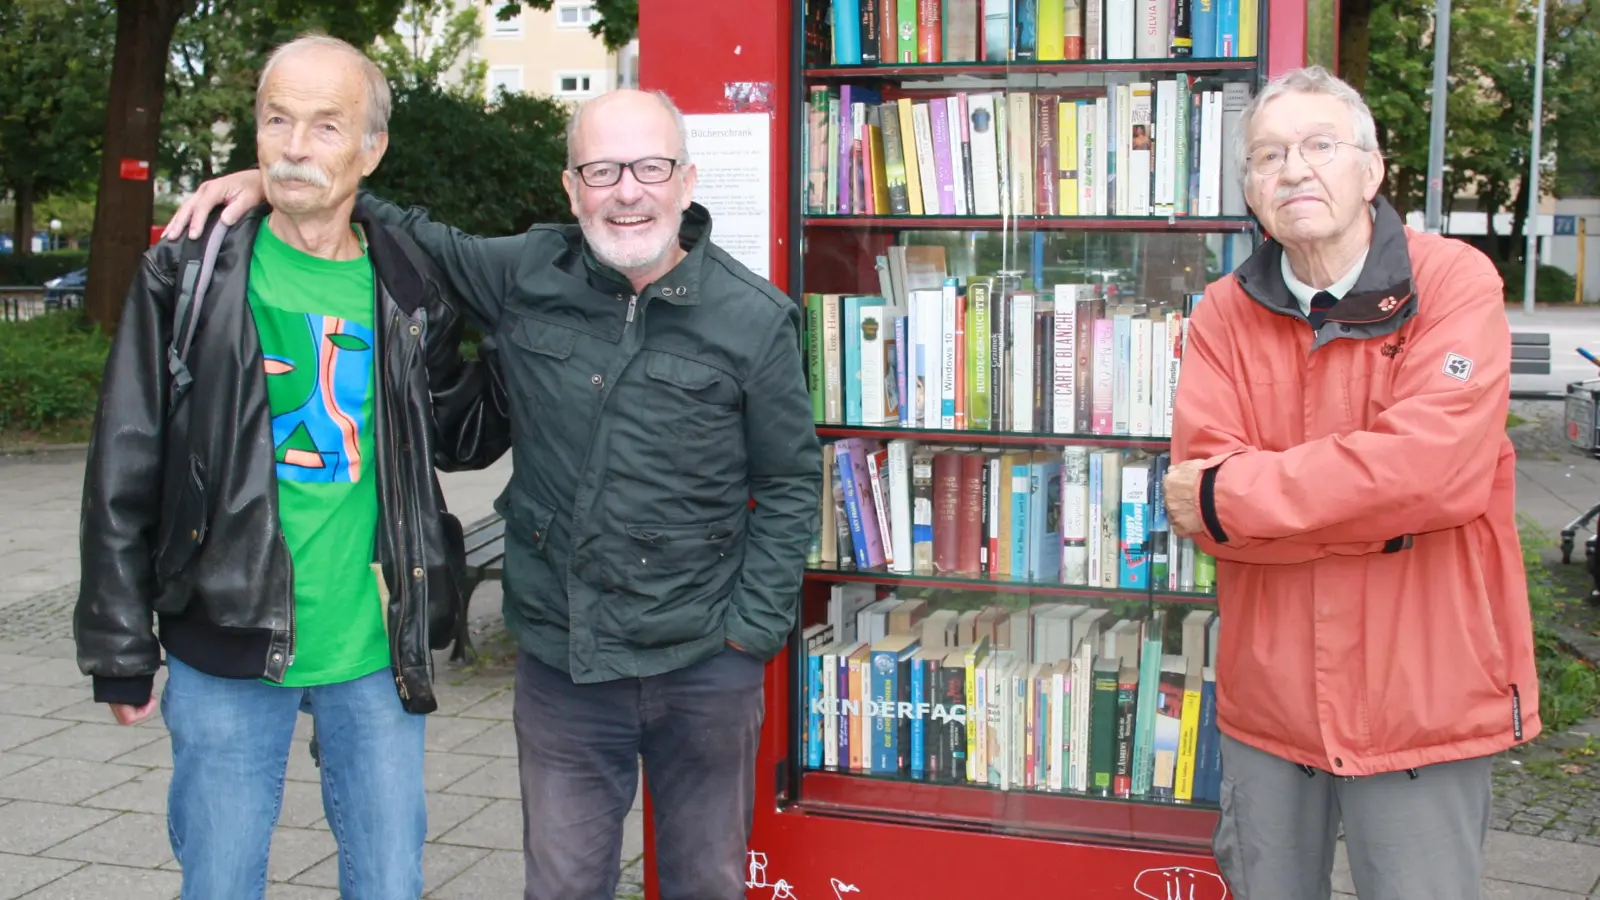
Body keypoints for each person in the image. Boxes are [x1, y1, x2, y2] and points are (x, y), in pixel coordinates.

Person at [167, 87, 823, 900]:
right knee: (561, 885)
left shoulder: (754, 319)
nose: (627, 190)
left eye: (650, 168)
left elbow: (792, 481)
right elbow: (409, 232)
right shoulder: (525, 272)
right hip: (563, 666)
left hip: (701, 665)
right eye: (602, 169)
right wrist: (284, 180)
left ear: (686, 181)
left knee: (706, 882)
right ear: (570, 187)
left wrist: (748, 636)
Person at [75, 34, 507, 900]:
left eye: (326, 124)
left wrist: (526, 343)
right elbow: (123, 463)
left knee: (388, 880)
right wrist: (119, 648)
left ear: (371, 148)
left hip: (376, 648)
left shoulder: (406, 283)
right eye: (278, 119)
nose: (297, 145)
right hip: (223, 641)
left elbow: (460, 436)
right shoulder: (190, 272)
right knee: (221, 880)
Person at [1162, 66, 1539, 899]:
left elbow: (1439, 474)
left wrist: (1247, 500)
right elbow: (1203, 497)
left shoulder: (1456, 282)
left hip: (1424, 699)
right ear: (1252, 191)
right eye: (1269, 155)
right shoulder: (1221, 313)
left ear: (1372, 171)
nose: (1294, 169)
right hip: (1271, 703)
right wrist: (1382, 507)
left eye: (1319, 145)